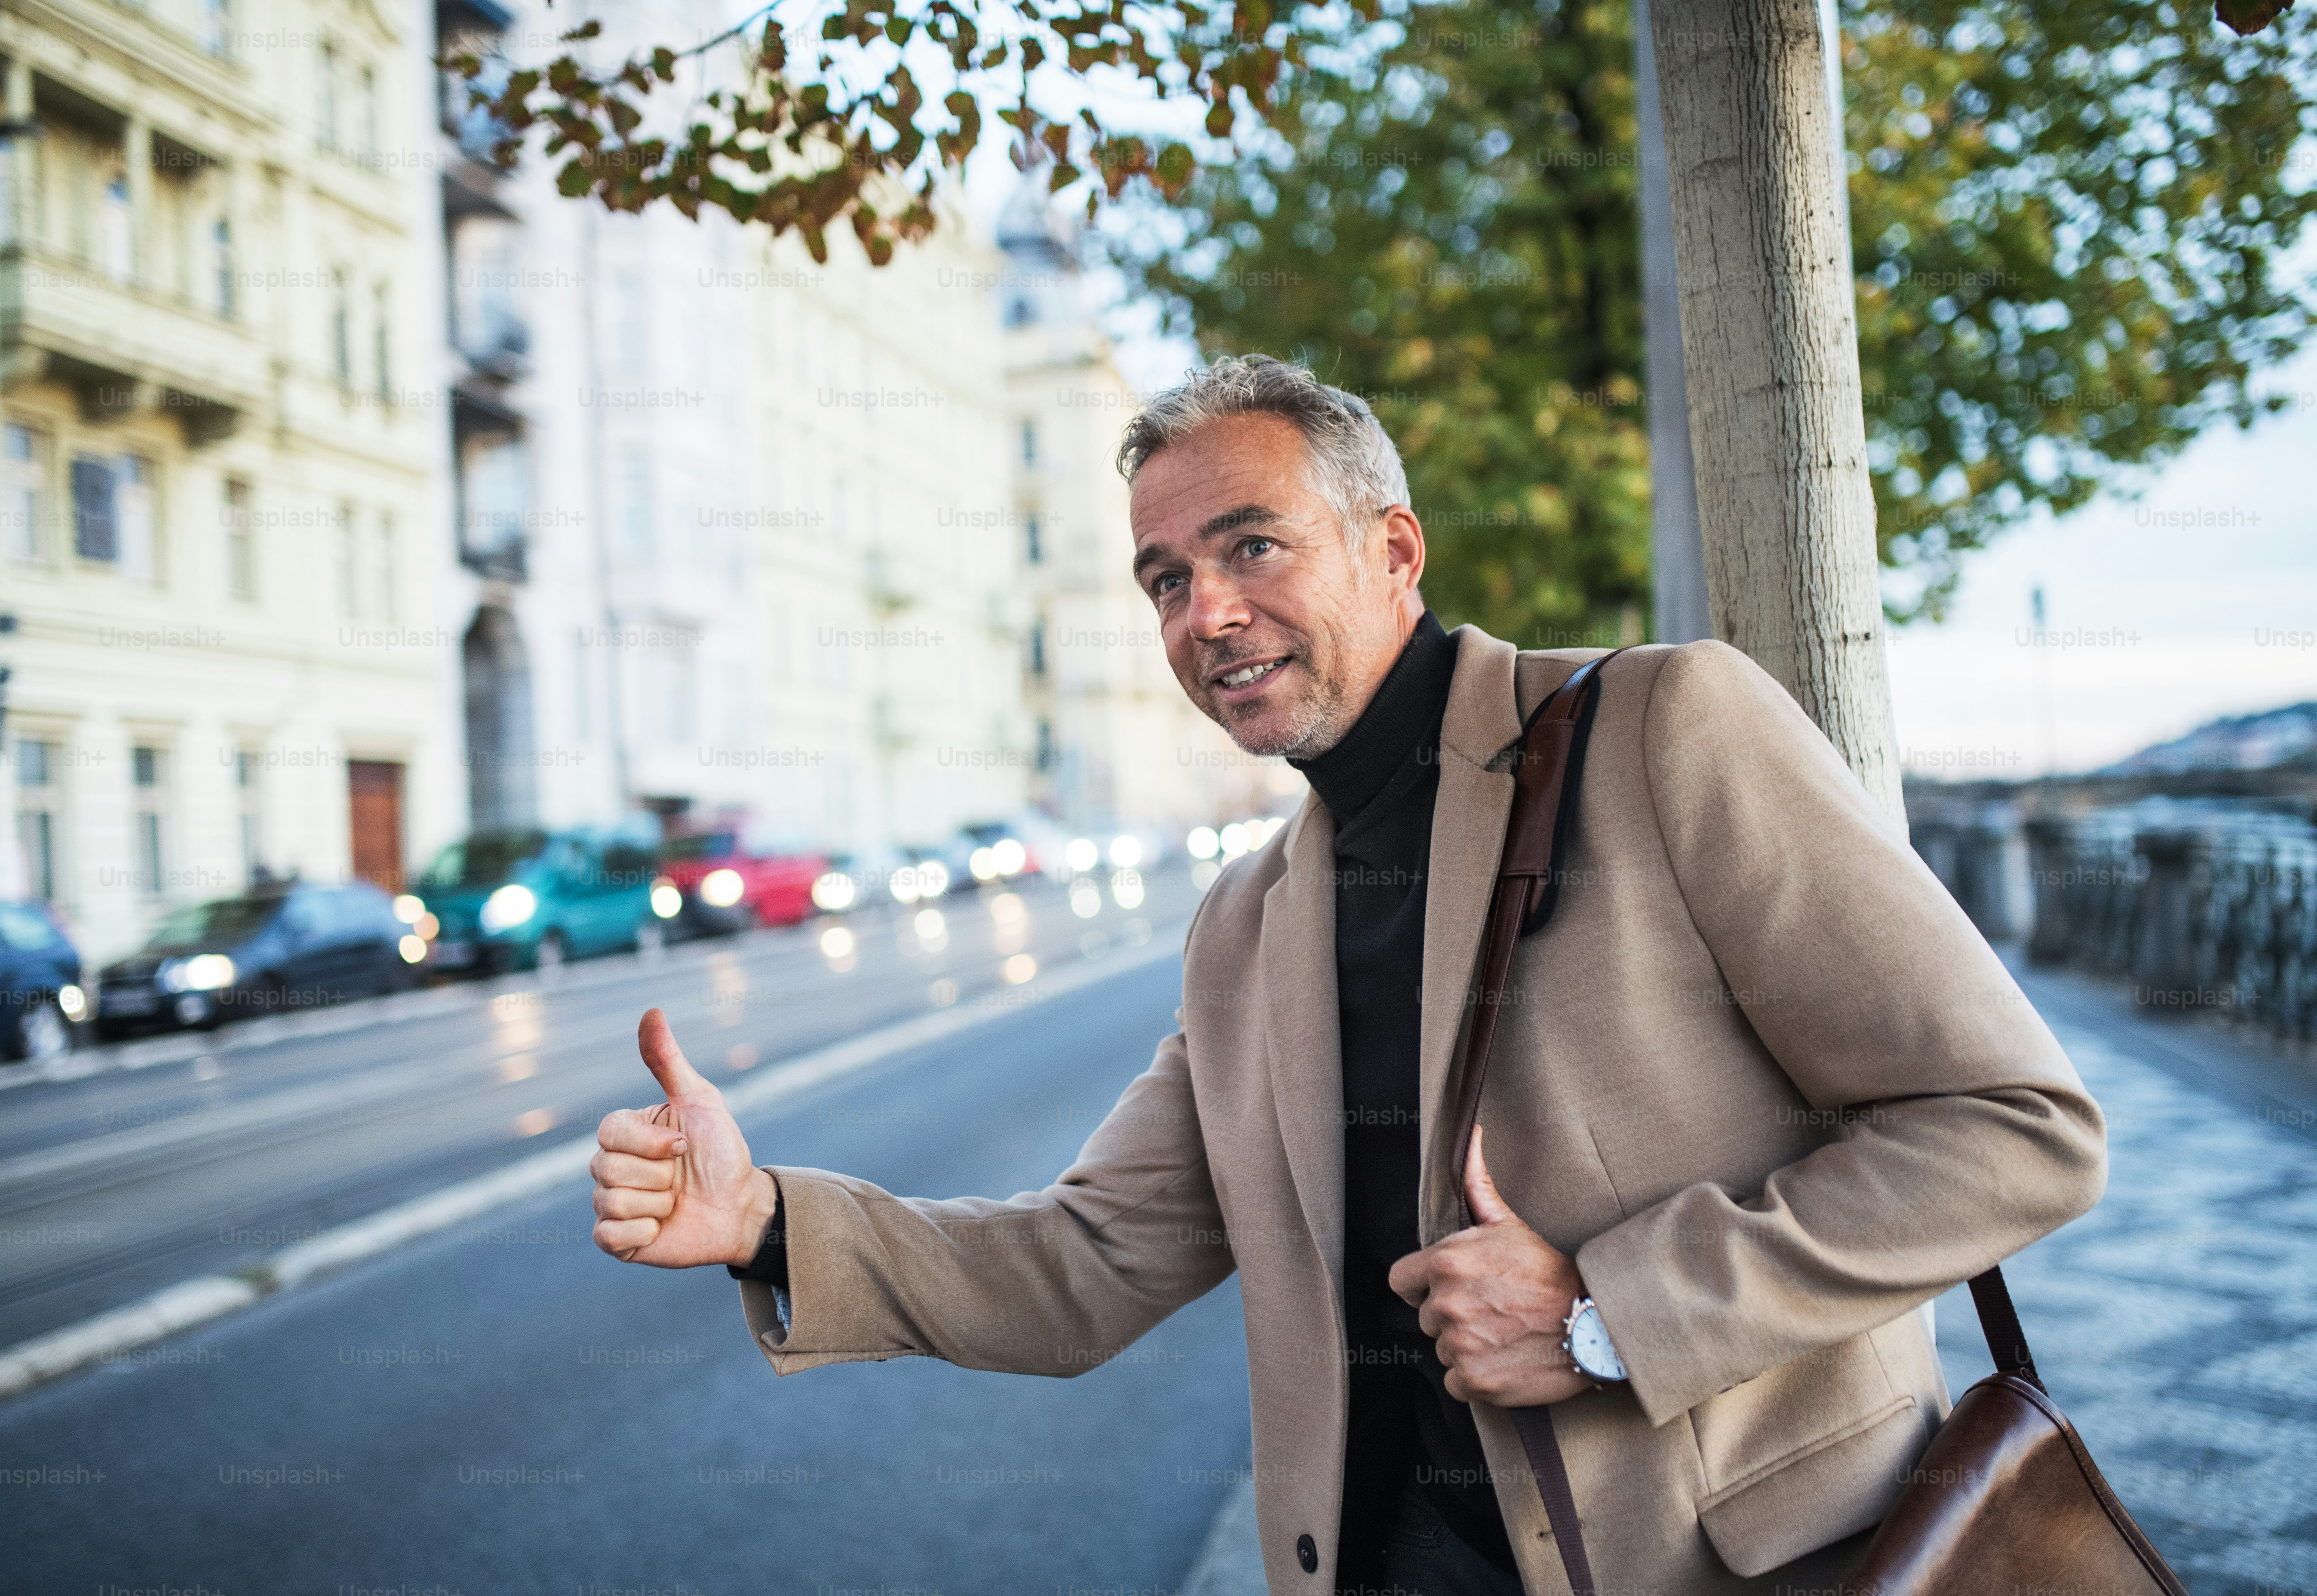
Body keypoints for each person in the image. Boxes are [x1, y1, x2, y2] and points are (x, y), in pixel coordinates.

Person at [589, 355, 2108, 1596]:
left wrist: (1603, 1313)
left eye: (1252, 544)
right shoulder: (1244, 929)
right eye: (1165, 579)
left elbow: (2012, 1127)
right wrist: (771, 1218)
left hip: (1756, 1568)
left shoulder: (1664, 731)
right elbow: (1083, 1268)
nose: (1207, 613)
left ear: (1394, 547)